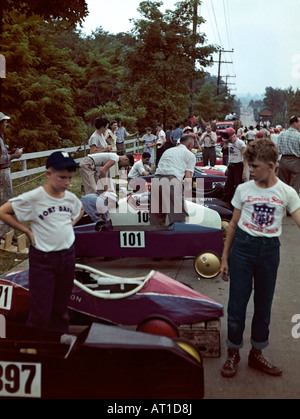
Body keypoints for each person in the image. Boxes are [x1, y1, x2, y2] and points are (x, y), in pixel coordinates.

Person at [220, 138, 300, 378]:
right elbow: (232, 225)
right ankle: (233, 352)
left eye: (254, 166)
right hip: (243, 249)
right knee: (236, 305)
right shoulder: (243, 189)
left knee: (263, 305)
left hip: (269, 251)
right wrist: (225, 258)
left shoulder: (287, 192)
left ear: (272, 165)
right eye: (249, 165)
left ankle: (257, 353)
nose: (250, 170)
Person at [0, 151, 84, 332]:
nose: (67, 183)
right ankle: (36, 348)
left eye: (70, 178)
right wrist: (27, 231)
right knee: (41, 310)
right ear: (48, 173)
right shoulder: (34, 198)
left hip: (67, 256)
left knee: (61, 309)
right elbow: (3, 211)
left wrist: (70, 225)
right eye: (62, 177)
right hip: (44, 259)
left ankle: (58, 345)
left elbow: (80, 209)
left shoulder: (69, 197)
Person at [150, 134, 196, 226]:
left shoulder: (168, 150)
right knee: (179, 218)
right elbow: (188, 176)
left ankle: (156, 238)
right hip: (171, 181)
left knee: (156, 218)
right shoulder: (190, 155)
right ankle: (180, 239)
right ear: (190, 145)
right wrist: (188, 195)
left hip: (156, 180)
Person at [0, 112, 23, 240]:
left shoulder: (1, 138)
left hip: (4, 172)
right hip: (2, 173)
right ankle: (4, 234)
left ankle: (8, 233)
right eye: (4, 122)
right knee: (6, 203)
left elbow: (3, 156)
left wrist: (11, 152)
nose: (6, 124)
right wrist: (15, 156)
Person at [222, 128, 248, 206]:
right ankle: (226, 204)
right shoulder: (230, 143)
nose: (229, 141)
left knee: (238, 186)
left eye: (230, 139)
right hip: (231, 166)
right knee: (228, 187)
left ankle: (237, 205)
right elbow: (231, 155)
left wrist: (244, 172)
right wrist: (227, 167)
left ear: (233, 136)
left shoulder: (241, 144)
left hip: (238, 166)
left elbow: (245, 158)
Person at [277, 115, 300, 194]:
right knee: (294, 186)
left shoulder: (281, 135)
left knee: (283, 186)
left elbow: (277, 150)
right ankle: (292, 205)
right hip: (295, 162)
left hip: (283, 161)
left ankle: (283, 204)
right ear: (295, 123)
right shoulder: (299, 136)